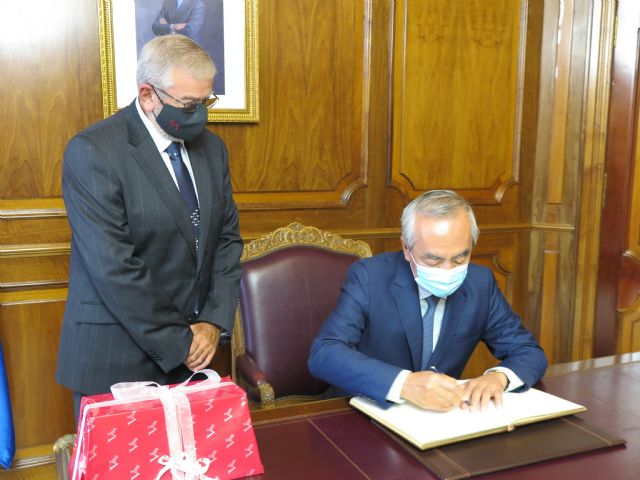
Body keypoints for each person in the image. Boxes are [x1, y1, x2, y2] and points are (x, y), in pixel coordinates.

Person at [56, 34, 243, 419]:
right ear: (147, 95)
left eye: (207, 101)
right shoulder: (94, 151)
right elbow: (114, 267)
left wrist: (211, 322)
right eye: (189, 104)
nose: (201, 114)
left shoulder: (213, 149)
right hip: (118, 356)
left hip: (196, 356)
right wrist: (180, 341)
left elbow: (226, 241)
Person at [308, 190, 547, 412]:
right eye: (433, 260)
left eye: (460, 258)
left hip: (438, 421)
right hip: (362, 414)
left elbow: (528, 351)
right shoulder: (370, 277)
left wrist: (498, 377)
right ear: (406, 248)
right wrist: (405, 384)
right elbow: (325, 353)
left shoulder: (479, 283)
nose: (447, 269)